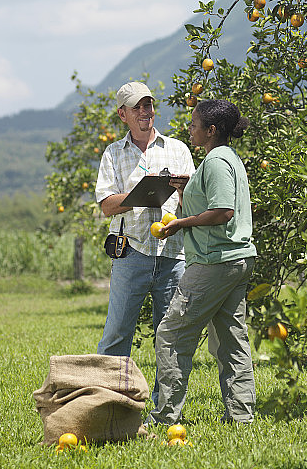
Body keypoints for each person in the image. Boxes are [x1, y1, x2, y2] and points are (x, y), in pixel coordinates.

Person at [147, 99, 257, 426]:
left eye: (194, 124)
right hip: (234, 260)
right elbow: (209, 205)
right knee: (231, 340)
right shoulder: (226, 158)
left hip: (214, 262)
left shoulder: (217, 161)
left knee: (171, 334)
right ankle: (240, 417)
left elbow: (223, 212)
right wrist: (185, 191)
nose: (189, 128)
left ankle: (165, 417)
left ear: (211, 130)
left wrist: (180, 224)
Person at [94, 82, 195, 404]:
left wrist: (184, 190)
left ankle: (166, 409)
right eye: (136, 107)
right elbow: (106, 205)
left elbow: (195, 204)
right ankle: (108, 403)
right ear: (122, 114)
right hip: (131, 252)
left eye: (148, 105)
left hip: (173, 254)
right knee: (117, 333)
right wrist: (141, 195)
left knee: (172, 337)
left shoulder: (178, 149)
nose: (144, 112)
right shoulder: (113, 153)